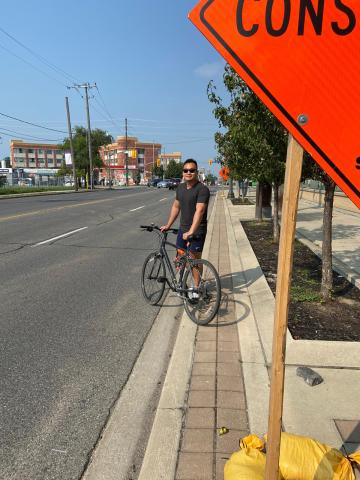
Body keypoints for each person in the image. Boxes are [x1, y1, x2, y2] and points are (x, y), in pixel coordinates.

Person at [160, 158, 210, 260]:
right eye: (185, 170)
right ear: (182, 172)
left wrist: (191, 232)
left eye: (192, 170)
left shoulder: (202, 189)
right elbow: (176, 206)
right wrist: (168, 225)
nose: (188, 172)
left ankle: (197, 276)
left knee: (195, 260)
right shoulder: (180, 188)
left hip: (197, 231)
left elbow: (199, 211)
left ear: (196, 172)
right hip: (182, 229)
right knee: (180, 258)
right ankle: (183, 273)